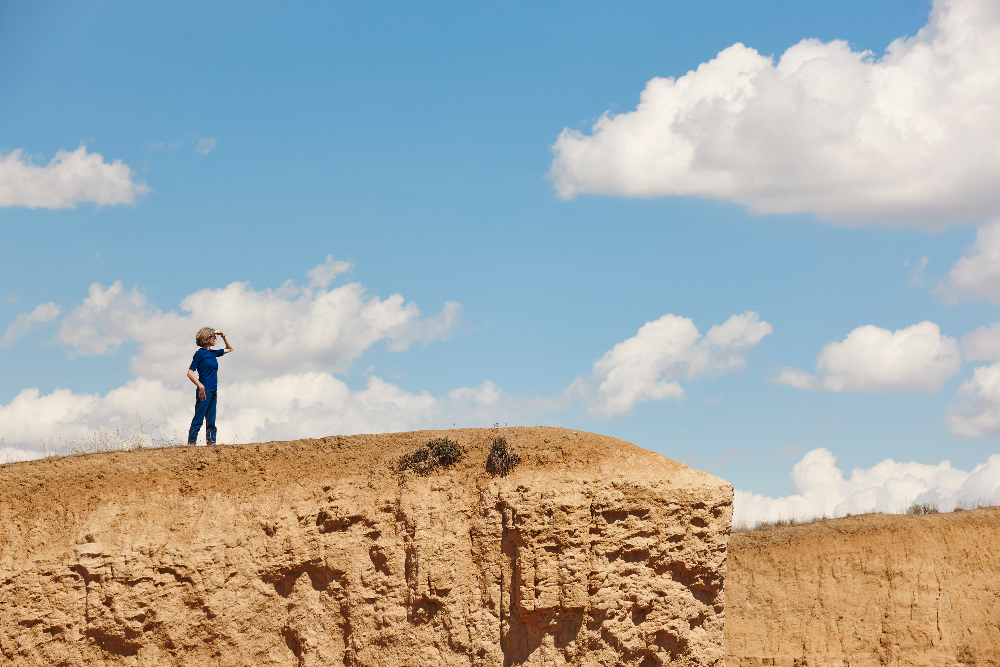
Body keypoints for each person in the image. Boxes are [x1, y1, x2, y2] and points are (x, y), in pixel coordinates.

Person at [186, 327, 234, 445]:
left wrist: (223, 334)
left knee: (211, 422)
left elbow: (230, 348)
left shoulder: (213, 353)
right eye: (213, 337)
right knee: (198, 420)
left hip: (213, 391)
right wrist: (200, 386)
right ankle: (190, 446)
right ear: (207, 338)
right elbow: (190, 373)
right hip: (204, 391)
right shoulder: (199, 354)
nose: (215, 339)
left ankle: (211, 446)